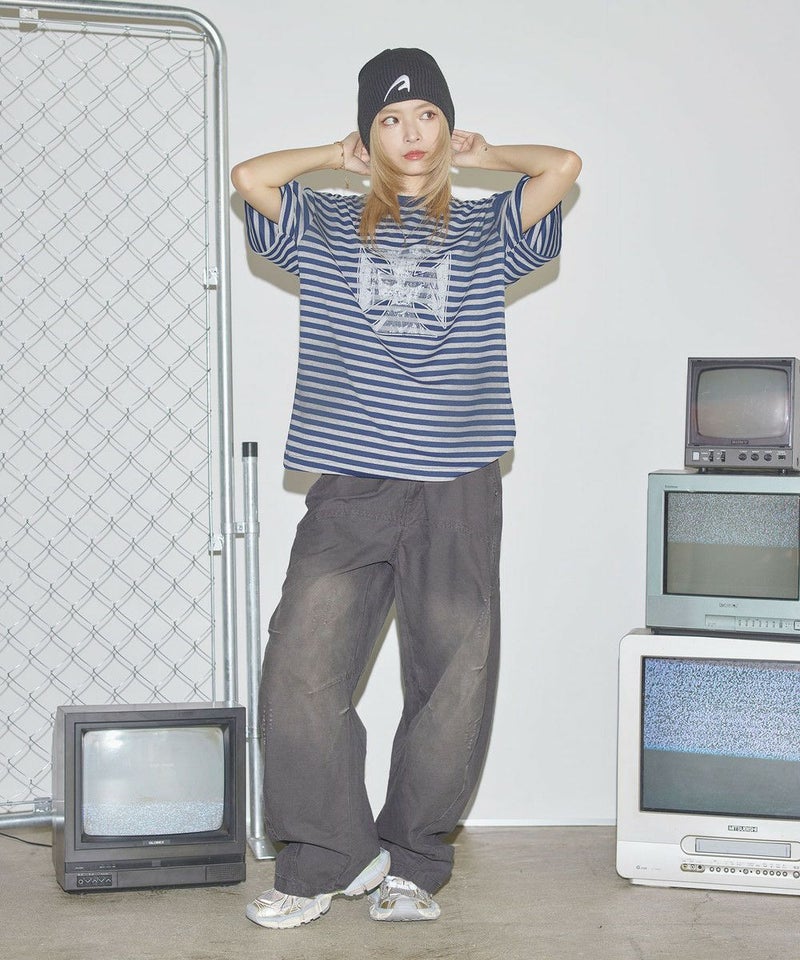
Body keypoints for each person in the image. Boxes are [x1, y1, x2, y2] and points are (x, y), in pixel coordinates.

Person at [231, 47, 581, 929]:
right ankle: (329, 857)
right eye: (389, 119)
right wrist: (332, 154)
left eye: (426, 114)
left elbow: (562, 167)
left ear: (447, 125)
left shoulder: (487, 228)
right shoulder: (324, 222)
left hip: (457, 482)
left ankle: (415, 861)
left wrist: (486, 155)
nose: (411, 132)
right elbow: (249, 178)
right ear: (369, 135)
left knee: (452, 679)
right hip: (353, 482)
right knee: (300, 667)